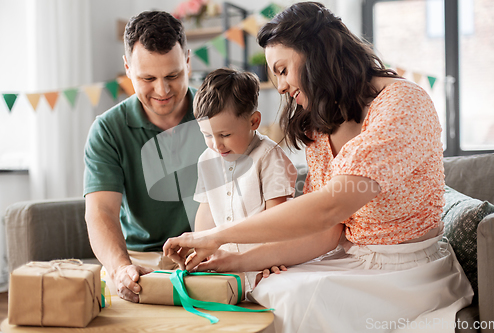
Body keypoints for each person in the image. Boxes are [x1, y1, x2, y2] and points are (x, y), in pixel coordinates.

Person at [163, 2, 473, 332]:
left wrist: (214, 236)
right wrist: (232, 262)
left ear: (316, 53)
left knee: (291, 300)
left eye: (282, 70)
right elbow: (326, 232)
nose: (280, 86)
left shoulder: (403, 104)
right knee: (265, 290)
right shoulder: (320, 126)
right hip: (353, 259)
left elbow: (328, 207)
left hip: (407, 272)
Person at [84, 10, 205, 303]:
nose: (162, 90)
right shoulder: (107, 129)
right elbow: (101, 212)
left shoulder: (218, 114)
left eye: (173, 75)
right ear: (127, 68)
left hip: (211, 252)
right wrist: (120, 267)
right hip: (140, 260)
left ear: (187, 60)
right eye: (148, 78)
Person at [190, 68, 297, 291]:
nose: (216, 145)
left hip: (262, 264)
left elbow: (278, 221)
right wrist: (199, 247)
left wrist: (270, 259)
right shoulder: (207, 159)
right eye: (207, 135)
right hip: (224, 267)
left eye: (225, 135)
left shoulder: (269, 158)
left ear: (254, 121)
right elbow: (207, 211)